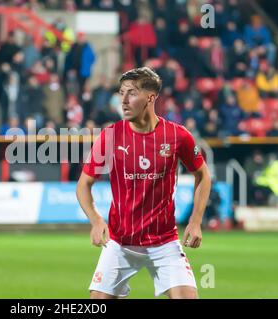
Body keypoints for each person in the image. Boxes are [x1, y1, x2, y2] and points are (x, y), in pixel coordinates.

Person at [76, 67, 212, 299]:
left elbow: (203, 175)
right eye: (121, 93)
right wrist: (96, 220)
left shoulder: (178, 136)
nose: (124, 100)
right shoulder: (110, 136)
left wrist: (196, 220)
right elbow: (83, 185)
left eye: (131, 93)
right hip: (119, 242)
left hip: (164, 242)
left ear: (150, 97)